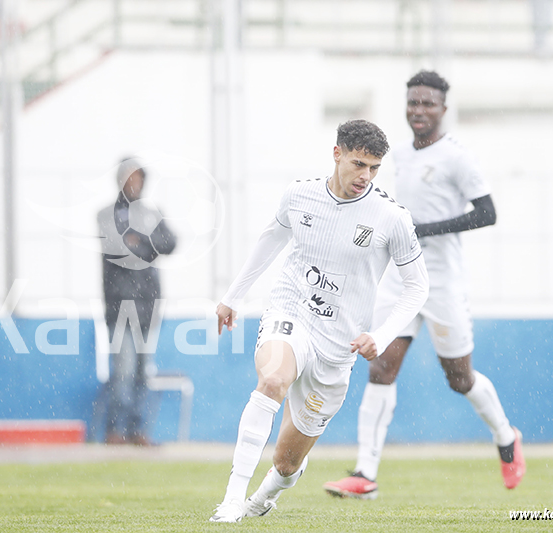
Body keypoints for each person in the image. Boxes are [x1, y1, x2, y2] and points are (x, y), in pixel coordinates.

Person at [208, 120, 429, 522]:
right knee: (273, 379)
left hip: (339, 345)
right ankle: (232, 499)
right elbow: (270, 240)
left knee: (288, 462)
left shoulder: (392, 217)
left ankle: (266, 494)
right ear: (337, 153)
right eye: (359, 164)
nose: (366, 176)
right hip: (291, 311)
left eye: (374, 168)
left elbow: (417, 287)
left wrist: (380, 334)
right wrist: (232, 297)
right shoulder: (299, 195)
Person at [323, 71, 524, 500]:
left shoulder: (456, 157)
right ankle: (365, 474)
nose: (419, 110)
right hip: (400, 279)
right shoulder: (399, 155)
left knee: (459, 378)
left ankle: (506, 437)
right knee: (380, 368)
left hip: (442, 283)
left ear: (443, 110)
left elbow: (487, 213)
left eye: (428, 103)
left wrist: (426, 228)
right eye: (413, 102)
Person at [97, 158, 176, 446]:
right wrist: (148, 245)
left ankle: (137, 431)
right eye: (130, 177)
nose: (135, 183)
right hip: (120, 307)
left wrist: (139, 241)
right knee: (124, 371)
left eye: (139, 178)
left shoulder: (152, 212)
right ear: (120, 180)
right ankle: (116, 431)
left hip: (148, 306)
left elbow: (170, 242)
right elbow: (118, 248)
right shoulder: (106, 214)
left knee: (143, 372)